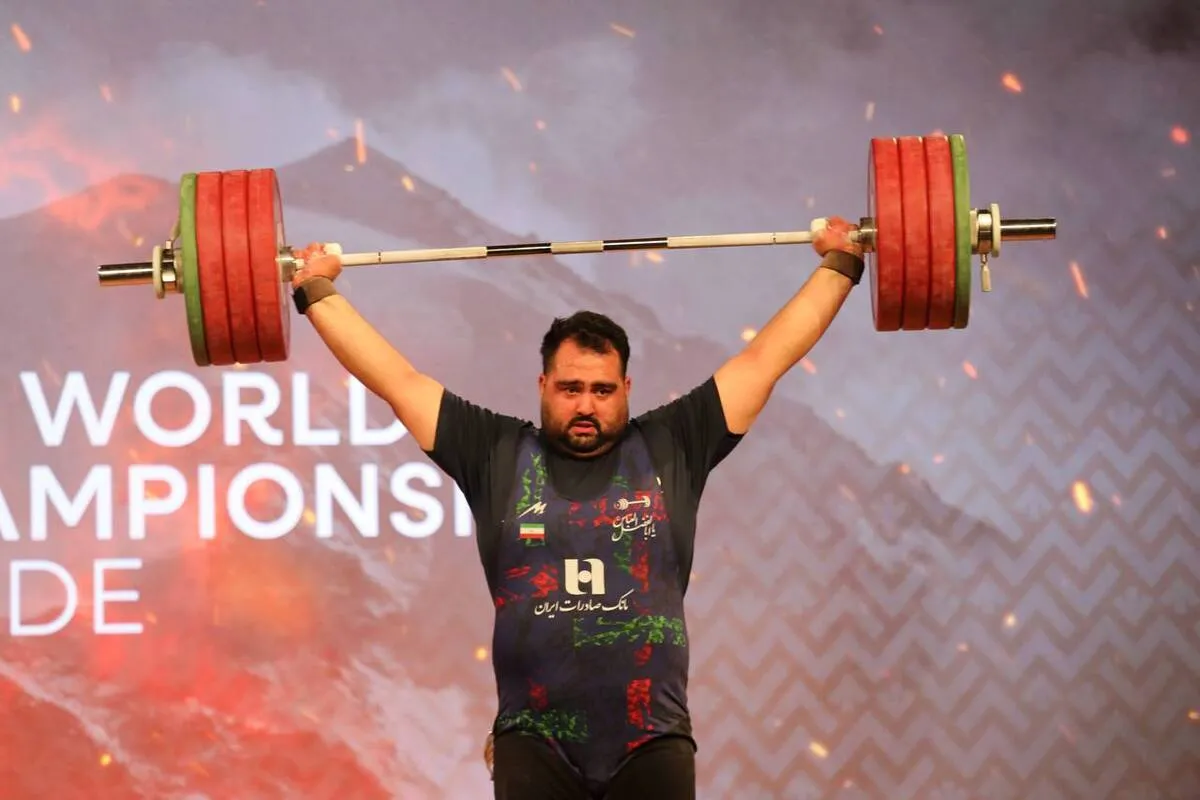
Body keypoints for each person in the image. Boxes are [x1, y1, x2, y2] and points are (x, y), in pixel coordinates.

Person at [288, 216, 865, 799]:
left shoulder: (671, 445)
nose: (586, 405)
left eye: (602, 390)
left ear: (626, 389)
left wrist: (840, 263)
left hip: (651, 741)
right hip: (535, 743)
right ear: (543, 385)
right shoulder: (495, 453)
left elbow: (764, 360)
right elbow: (398, 379)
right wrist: (316, 288)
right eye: (571, 389)